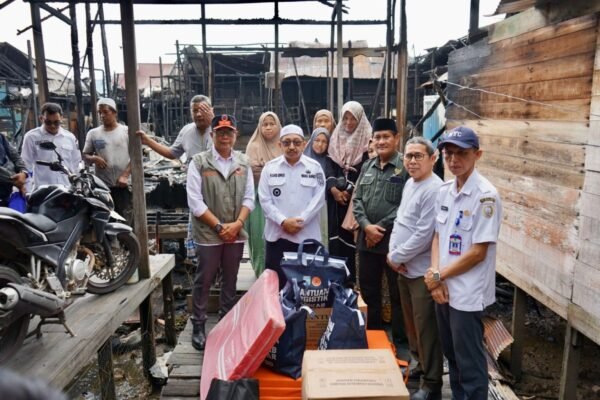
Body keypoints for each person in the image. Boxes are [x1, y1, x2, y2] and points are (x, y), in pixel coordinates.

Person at [424, 126, 502, 400]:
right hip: (443, 287)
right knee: (452, 356)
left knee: (469, 362)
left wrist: (438, 276)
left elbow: (478, 252)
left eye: (461, 153)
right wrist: (436, 277)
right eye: (449, 154)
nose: (454, 160)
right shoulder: (445, 190)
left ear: (477, 155)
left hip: (467, 293)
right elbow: (437, 236)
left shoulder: (486, 196)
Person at [186, 114, 255, 351]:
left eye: (229, 132)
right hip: (208, 232)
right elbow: (195, 202)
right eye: (220, 132)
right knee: (204, 278)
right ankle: (198, 324)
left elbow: (249, 198)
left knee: (230, 277)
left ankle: (226, 321)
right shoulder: (199, 162)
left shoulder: (243, 162)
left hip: (235, 230)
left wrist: (237, 224)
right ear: (212, 134)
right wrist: (218, 226)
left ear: (235, 135)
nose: (225, 136)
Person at [387, 137, 444, 400]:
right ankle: (418, 365)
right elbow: (402, 221)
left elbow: (424, 233)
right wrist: (395, 255)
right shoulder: (411, 183)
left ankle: (432, 383)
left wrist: (397, 256)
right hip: (404, 268)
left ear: (433, 159)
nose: (411, 161)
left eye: (418, 156)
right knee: (411, 324)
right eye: (408, 156)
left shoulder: (435, 189)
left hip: (421, 271)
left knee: (426, 328)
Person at [352, 117, 408, 360]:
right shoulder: (367, 166)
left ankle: (401, 343)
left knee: (397, 294)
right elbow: (357, 200)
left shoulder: (405, 167)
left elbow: (405, 205)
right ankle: (374, 336)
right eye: (378, 137)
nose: (382, 141)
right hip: (366, 241)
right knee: (369, 291)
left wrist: (380, 228)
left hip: (393, 242)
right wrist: (366, 226)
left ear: (397, 138)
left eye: (387, 137)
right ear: (372, 140)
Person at [137, 94, 214, 263]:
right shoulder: (187, 131)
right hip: (196, 189)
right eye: (195, 110)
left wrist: (213, 124)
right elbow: (172, 153)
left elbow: (226, 152)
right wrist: (148, 141)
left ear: (211, 110)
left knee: (217, 230)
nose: (198, 114)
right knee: (198, 228)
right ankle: (200, 265)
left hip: (217, 189)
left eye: (202, 110)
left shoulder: (219, 130)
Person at [259, 124, 326, 289]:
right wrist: (283, 221)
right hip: (277, 237)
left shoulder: (315, 168)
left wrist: (300, 221)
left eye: (296, 142)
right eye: (286, 142)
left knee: (307, 288)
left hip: (307, 237)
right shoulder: (269, 168)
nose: (291, 147)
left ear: (304, 144)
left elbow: (319, 199)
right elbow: (264, 200)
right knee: (275, 287)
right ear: (279, 145)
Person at [326, 101, 371, 285]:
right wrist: (333, 189)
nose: (348, 122)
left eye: (353, 118)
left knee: (351, 237)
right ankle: (335, 280)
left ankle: (352, 281)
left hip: (356, 197)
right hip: (335, 197)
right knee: (335, 236)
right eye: (345, 118)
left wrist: (350, 189)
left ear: (360, 119)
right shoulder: (335, 137)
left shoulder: (368, 139)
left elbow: (366, 166)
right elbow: (329, 164)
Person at [83, 98, 132, 224]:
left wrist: (125, 175)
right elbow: (85, 155)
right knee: (106, 220)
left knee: (125, 219)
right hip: (103, 186)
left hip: (123, 185)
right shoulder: (93, 134)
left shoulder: (126, 131)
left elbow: (136, 157)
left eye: (105, 112)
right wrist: (94, 158)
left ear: (114, 112)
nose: (102, 115)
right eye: (100, 113)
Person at [245, 111, 282, 277]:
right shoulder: (253, 146)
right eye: (264, 124)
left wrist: (264, 168)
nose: (268, 128)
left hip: (280, 199)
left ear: (278, 126)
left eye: (271, 124)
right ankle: (260, 271)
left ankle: (279, 273)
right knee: (259, 236)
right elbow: (249, 172)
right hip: (258, 199)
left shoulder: (283, 145)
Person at [21, 102, 82, 190]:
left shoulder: (70, 137)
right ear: (41, 119)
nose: (52, 126)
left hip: (67, 188)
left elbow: (76, 163)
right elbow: (26, 164)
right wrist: (27, 189)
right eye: (48, 122)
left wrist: (78, 186)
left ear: (61, 118)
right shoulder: (31, 137)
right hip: (43, 190)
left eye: (56, 122)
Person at [303, 127, 331, 247]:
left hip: (324, 205)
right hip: (304, 205)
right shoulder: (302, 160)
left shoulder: (331, 161)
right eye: (317, 140)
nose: (320, 144)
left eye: (324, 142)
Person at [0, 133, 27, 207]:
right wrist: (15, 180)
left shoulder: (1, 137)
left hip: (6, 193)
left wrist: (23, 172)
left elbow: (16, 157)